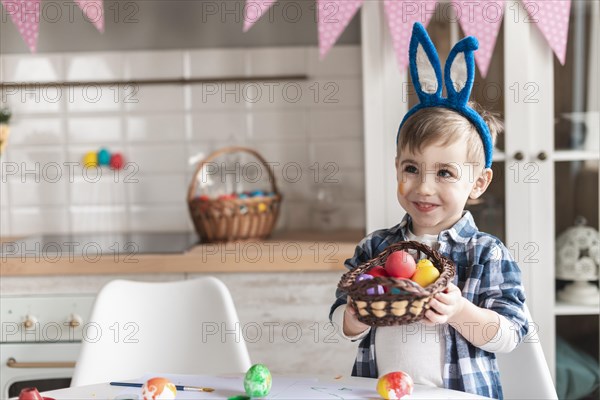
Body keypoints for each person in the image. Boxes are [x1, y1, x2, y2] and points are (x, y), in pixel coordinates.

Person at [329, 23, 529, 399]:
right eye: (411, 169)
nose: (423, 187)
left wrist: (460, 312)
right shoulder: (376, 247)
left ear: (479, 183)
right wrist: (355, 315)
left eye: (445, 173)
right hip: (380, 392)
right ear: (396, 168)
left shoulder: (485, 253)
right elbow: (339, 320)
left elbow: (510, 334)